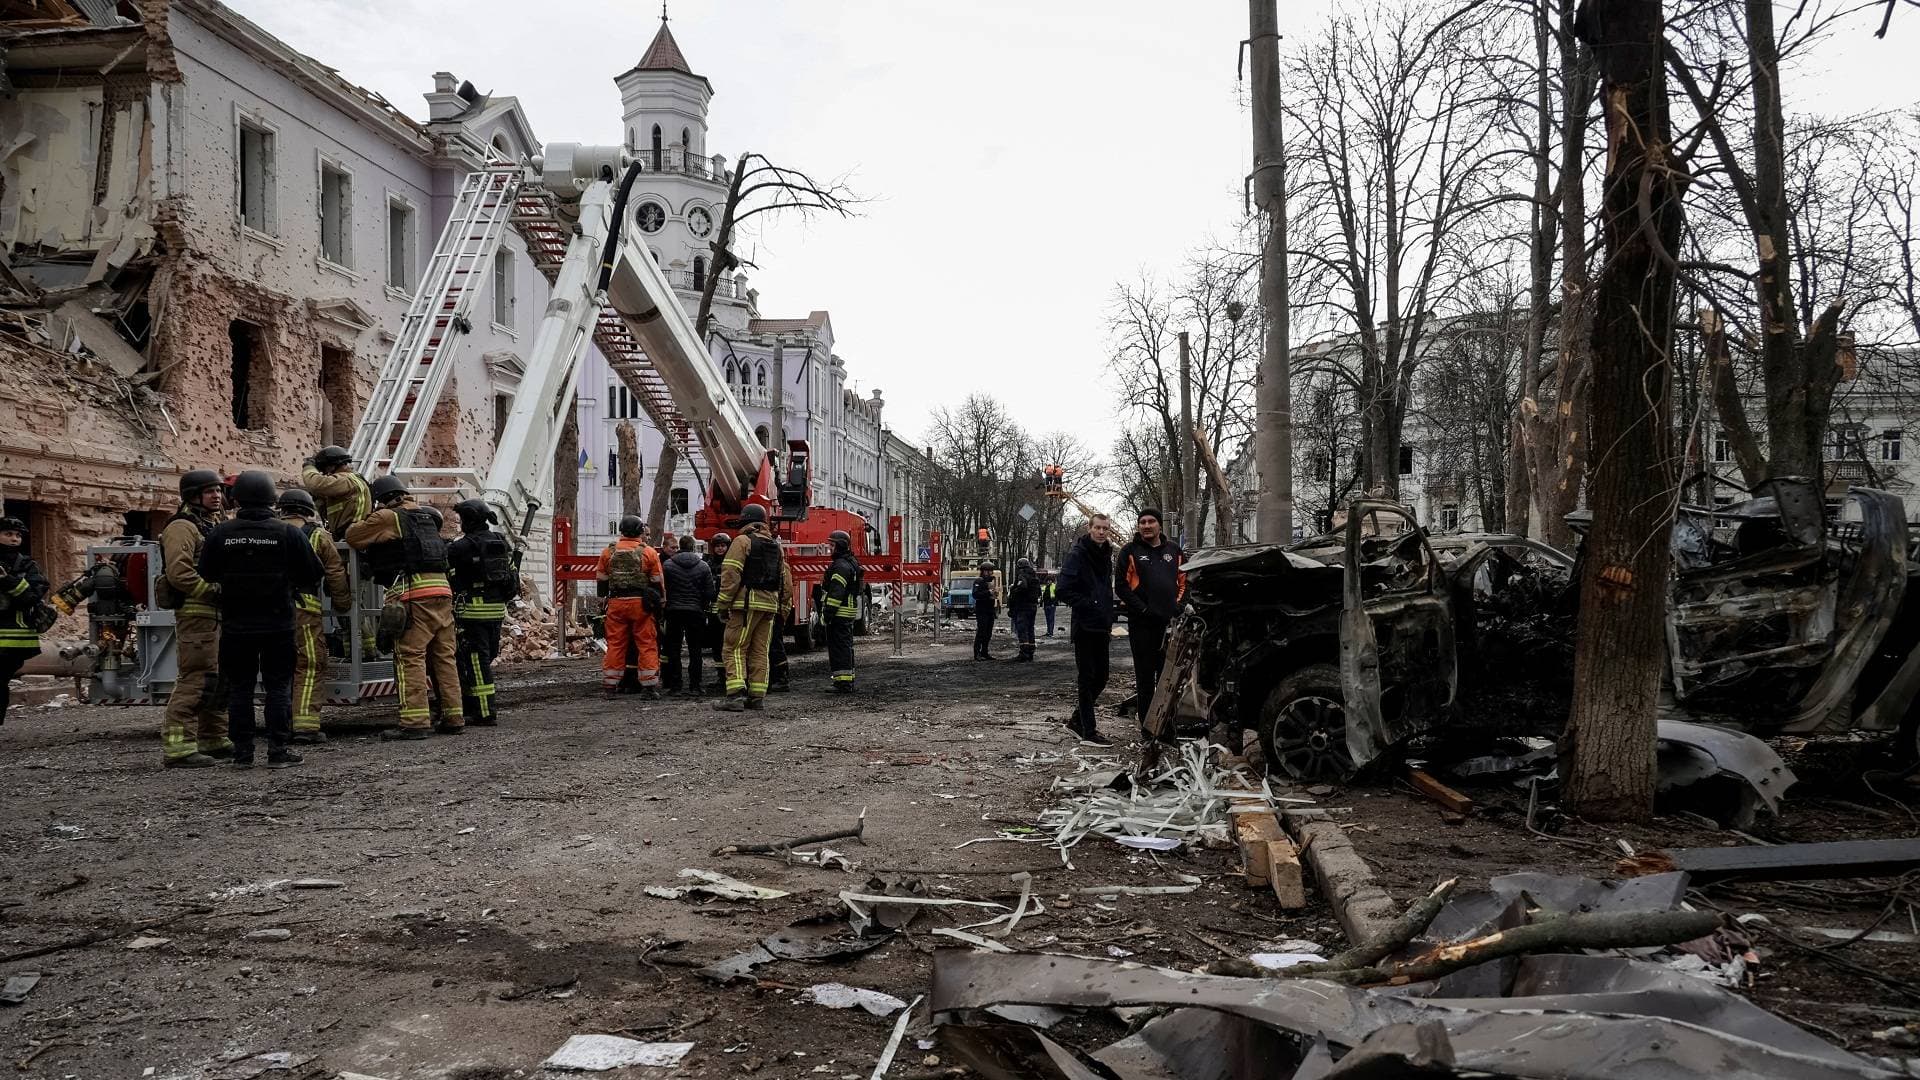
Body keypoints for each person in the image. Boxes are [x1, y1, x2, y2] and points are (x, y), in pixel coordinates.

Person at [199, 471, 323, 768]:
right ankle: (278, 750)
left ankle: (242, 753)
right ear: (272, 500)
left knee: (240, 688)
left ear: (236, 498)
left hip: (236, 623)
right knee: (278, 687)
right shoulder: (288, 533)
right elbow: (313, 573)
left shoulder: (221, 533)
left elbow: (206, 572)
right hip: (278, 623)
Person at [346, 476, 463, 737]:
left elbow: (353, 536)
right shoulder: (425, 517)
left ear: (382, 499)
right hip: (443, 591)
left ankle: (414, 723)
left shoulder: (389, 516)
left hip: (414, 593)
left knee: (410, 655)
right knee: (444, 657)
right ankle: (454, 717)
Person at [158, 469, 235, 767]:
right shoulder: (182, 526)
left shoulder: (214, 524)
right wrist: (213, 591)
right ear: (193, 496)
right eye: (209, 491)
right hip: (197, 613)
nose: (217, 495)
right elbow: (179, 573)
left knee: (219, 679)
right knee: (197, 678)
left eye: (218, 490)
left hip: (219, 614)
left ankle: (213, 738)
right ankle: (179, 747)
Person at [276, 489, 352, 744]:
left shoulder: (265, 531)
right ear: (308, 511)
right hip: (303, 608)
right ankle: (305, 725)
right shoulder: (316, 535)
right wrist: (342, 604)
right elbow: (335, 572)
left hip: (263, 609)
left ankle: (278, 722)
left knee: (275, 667)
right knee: (308, 665)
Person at [712, 504, 791, 711]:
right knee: (760, 651)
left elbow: (730, 575)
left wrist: (722, 604)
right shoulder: (776, 545)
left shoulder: (742, 541)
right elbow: (784, 579)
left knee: (734, 648)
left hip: (745, 605)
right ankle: (757, 696)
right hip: (769, 607)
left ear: (745, 521)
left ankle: (735, 696)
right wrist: (782, 607)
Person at [447, 499, 519, 726]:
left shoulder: (460, 548)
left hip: (471, 614)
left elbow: (450, 577)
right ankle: (476, 706)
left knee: (477, 663)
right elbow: (513, 580)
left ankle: (485, 713)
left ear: (469, 520)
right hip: (496, 611)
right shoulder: (501, 542)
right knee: (483, 659)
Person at [302, 445, 378, 655]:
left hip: (352, 551)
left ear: (331, 467)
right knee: (345, 604)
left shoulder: (346, 480)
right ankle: (356, 653)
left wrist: (309, 468)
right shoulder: (349, 484)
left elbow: (316, 483)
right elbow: (326, 508)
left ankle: (364, 653)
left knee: (350, 603)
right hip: (348, 549)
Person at [1115, 508, 1187, 726]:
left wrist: (1178, 607)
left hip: (1170, 626)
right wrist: (1143, 609)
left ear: (1159, 525)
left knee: (1168, 679)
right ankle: (1148, 728)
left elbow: (1186, 581)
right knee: (1145, 680)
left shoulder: (1175, 551)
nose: (1146, 526)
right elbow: (1121, 586)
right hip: (1142, 626)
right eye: (1142, 522)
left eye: (1151, 521)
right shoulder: (1129, 551)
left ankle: (1166, 727)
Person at [1057, 514, 1116, 746]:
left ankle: (1076, 720)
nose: (1102, 532)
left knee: (1102, 677)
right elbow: (1062, 589)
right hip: (1084, 625)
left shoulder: (1106, 555)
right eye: (1098, 528)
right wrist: (1089, 604)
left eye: (1105, 529)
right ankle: (1088, 731)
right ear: (1089, 528)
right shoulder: (1078, 554)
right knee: (1087, 676)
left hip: (1102, 625)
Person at [595, 516, 664, 699]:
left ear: (622, 531)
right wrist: (660, 602)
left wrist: (602, 599)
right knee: (646, 643)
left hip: (616, 604)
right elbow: (657, 581)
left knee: (615, 645)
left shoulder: (608, 552)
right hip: (640, 604)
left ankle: (610, 686)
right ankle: (649, 686)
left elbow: (601, 579)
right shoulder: (648, 552)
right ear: (641, 531)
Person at [0, 516, 50, 723]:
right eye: (8, 534)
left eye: (18, 535)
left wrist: (8, 581)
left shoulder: (27, 565)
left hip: (13, 639)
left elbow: (33, 596)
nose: (14, 539)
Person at [661, 534, 717, 694]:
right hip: (695, 612)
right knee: (695, 649)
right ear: (693, 547)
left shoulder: (668, 565)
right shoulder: (703, 566)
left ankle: (675, 686)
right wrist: (703, 607)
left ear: (680, 546)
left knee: (673, 649)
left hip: (674, 612)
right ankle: (695, 686)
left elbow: (663, 589)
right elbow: (710, 593)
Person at [822, 529, 863, 692]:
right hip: (846, 612)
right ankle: (846, 680)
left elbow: (836, 594)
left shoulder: (840, 566)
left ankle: (843, 683)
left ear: (840, 546)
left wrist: (827, 614)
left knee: (839, 649)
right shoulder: (850, 563)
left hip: (839, 613)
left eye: (832, 545)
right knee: (845, 647)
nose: (829, 548)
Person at [702, 532, 730, 694]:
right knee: (716, 645)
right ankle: (721, 676)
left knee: (729, 645)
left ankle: (730, 676)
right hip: (713, 613)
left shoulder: (732, 562)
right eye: (718, 546)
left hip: (727, 612)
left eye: (723, 546)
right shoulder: (708, 563)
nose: (720, 549)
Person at [1008, 557, 1040, 661]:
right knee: (1030, 628)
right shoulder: (1034, 576)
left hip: (1023, 606)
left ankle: (1024, 652)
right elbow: (1038, 592)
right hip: (1033, 606)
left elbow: (1022, 586)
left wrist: (1014, 590)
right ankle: (1030, 651)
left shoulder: (1022, 575)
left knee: (1022, 628)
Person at [971, 560, 1001, 661]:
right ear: (983, 571)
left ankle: (985, 651)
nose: (989, 573)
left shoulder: (992, 581)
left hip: (990, 609)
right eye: (987, 571)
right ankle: (977, 653)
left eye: (991, 571)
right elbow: (975, 595)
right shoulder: (979, 581)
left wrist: (995, 594)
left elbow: (994, 594)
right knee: (981, 631)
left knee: (988, 632)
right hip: (982, 609)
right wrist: (988, 592)